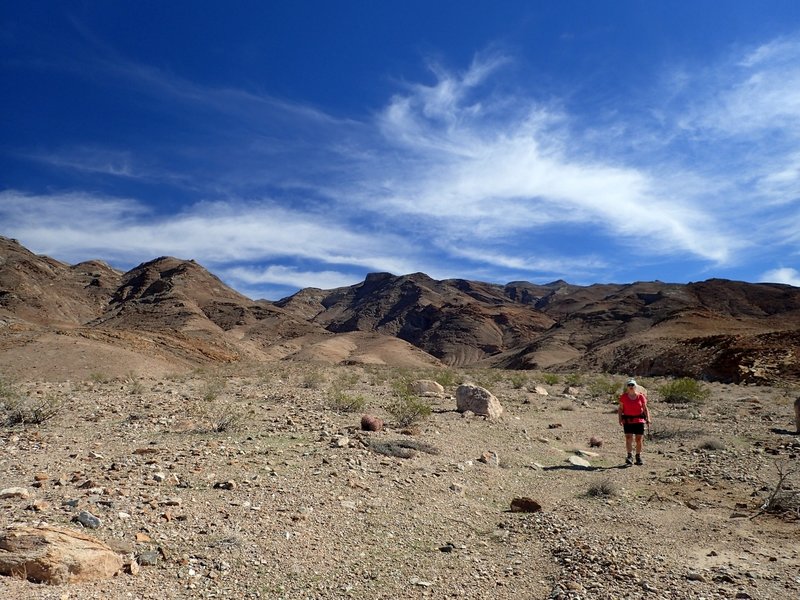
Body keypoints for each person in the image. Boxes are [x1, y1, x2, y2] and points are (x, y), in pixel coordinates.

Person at [618, 378, 650, 465]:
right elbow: (621, 409)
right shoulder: (623, 397)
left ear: (635, 386)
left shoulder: (640, 396)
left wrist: (648, 418)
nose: (631, 387)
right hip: (628, 420)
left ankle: (638, 456)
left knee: (639, 439)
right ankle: (629, 456)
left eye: (632, 385)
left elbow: (645, 408)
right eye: (629, 385)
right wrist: (620, 418)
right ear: (627, 387)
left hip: (639, 420)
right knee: (628, 438)